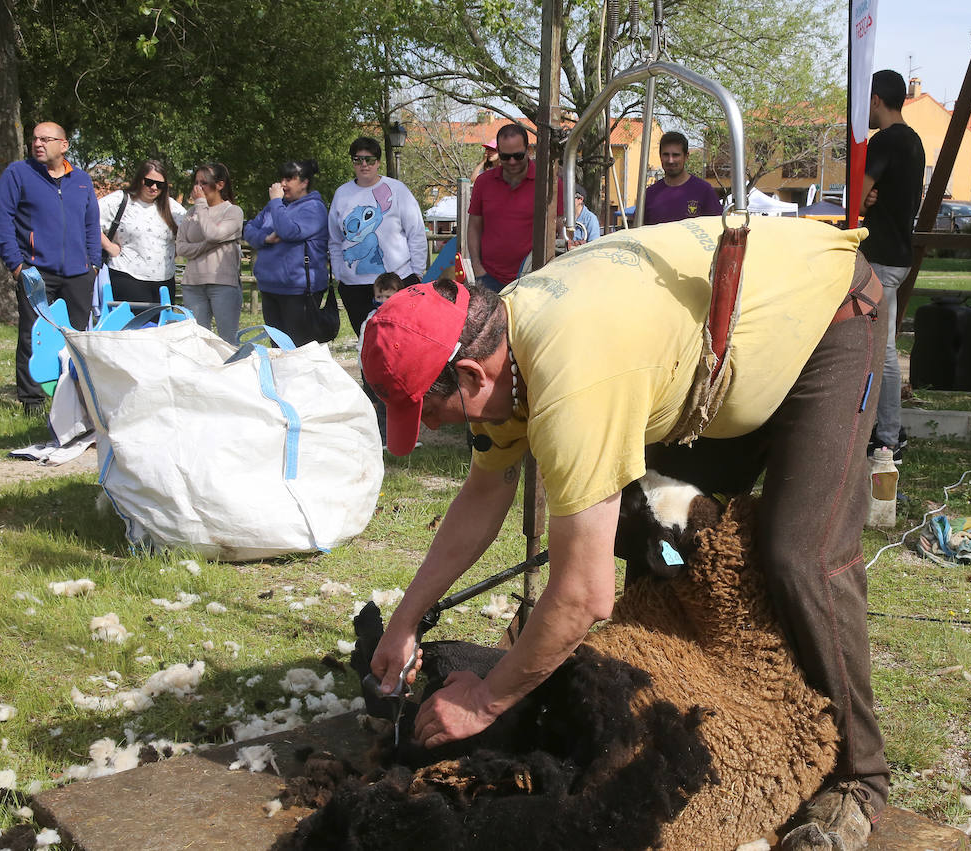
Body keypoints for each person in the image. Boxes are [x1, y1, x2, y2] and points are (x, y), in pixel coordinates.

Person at [361, 216, 891, 850]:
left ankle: (861, 780)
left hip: (824, 313)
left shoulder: (572, 381)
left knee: (800, 553)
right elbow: (483, 494)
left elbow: (585, 596)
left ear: (473, 377)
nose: (439, 431)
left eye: (435, 414)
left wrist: (484, 702)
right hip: (726, 337)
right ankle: (690, 700)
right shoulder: (501, 349)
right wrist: (405, 621)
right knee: (659, 541)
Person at [0, 121, 100, 415]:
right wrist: (17, 266)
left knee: (76, 338)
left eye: (45, 139)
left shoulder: (81, 180)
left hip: (79, 273)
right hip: (36, 273)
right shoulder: (18, 174)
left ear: (63, 145)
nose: (38, 143)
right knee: (33, 334)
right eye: (35, 139)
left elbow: (92, 224)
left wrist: (93, 264)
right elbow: (3, 222)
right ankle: (32, 402)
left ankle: (75, 400)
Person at [860, 69, 925, 463]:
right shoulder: (914, 141)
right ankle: (884, 429)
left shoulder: (884, 141)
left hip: (881, 256)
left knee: (882, 350)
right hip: (898, 253)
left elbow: (859, 192)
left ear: (876, 100)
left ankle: (887, 437)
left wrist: (861, 202)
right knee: (880, 348)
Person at [327, 137, 427, 335]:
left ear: (378, 162)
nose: (364, 164)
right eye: (358, 160)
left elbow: (416, 232)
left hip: (397, 281)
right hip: (354, 285)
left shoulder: (398, 191)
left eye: (370, 160)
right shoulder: (342, 194)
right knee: (365, 340)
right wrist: (340, 273)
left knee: (398, 338)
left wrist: (417, 273)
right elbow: (334, 238)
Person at [465, 123, 564, 292]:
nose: (512, 162)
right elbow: (474, 226)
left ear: (528, 151)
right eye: (505, 156)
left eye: (518, 156)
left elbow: (561, 226)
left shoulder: (549, 184)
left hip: (534, 278)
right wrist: (476, 266)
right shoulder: (484, 182)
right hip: (489, 278)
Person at [243, 159, 330, 346]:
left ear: (304, 182)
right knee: (278, 347)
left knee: (298, 349)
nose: (283, 184)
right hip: (270, 287)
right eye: (282, 178)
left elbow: (287, 231)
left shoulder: (314, 208)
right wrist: (265, 238)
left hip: (299, 291)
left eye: (289, 179)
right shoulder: (275, 206)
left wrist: (275, 202)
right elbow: (249, 229)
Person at [98, 160, 188, 306]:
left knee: (161, 328)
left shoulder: (172, 206)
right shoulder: (120, 200)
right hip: (127, 277)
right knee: (135, 328)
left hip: (164, 281)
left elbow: (192, 230)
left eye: (160, 184)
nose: (154, 188)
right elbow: (87, 220)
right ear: (140, 180)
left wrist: (178, 250)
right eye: (149, 182)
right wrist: (109, 246)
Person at [176, 162, 244, 344]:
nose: (198, 188)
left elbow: (212, 233)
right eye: (196, 182)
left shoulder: (233, 212)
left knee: (227, 341)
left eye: (203, 183)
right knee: (198, 341)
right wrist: (207, 246)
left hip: (222, 284)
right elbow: (181, 248)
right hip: (193, 284)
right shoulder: (191, 213)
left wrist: (201, 204)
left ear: (220, 185)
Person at [641, 131, 722, 224]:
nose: (670, 160)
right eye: (666, 155)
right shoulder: (649, 194)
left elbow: (717, 228)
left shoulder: (704, 191)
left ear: (686, 156)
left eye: (676, 155)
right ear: (660, 156)